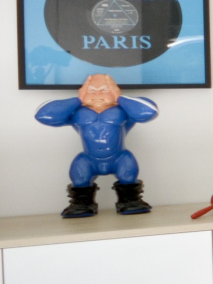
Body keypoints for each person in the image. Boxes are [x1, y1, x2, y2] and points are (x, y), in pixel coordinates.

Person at [36, 73, 159, 217]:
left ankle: (130, 201)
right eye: (92, 90)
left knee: (128, 175)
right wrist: (78, 99)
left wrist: (119, 97)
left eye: (104, 90)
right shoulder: (77, 113)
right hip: (89, 159)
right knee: (79, 178)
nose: (98, 94)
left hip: (119, 158)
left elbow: (149, 111)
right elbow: (43, 115)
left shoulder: (124, 111)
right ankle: (81, 204)